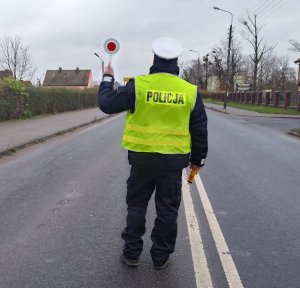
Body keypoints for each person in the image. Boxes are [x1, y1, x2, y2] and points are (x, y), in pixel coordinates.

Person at [98, 38, 208, 269]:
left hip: (142, 159)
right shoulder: (189, 91)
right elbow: (199, 129)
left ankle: (131, 253)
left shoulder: (139, 85)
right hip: (173, 162)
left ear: (154, 60)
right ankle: (160, 257)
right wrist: (198, 161)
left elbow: (107, 103)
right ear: (176, 62)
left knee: (137, 205)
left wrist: (108, 78)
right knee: (167, 209)